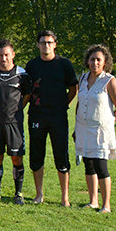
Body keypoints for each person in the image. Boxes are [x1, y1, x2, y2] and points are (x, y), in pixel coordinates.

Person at [26, 30, 78, 206]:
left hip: (58, 117)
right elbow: (26, 90)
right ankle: (39, 194)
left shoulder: (64, 64)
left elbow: (73, 89)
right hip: (36, 116)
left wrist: (62, 105)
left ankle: (65, 197)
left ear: (55, 44)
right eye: (42, 42)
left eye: (49, 42)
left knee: (61, 155)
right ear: (38, 45)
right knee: (36, 155)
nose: (46, 45)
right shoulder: (32, 65)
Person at [75, 44, 116, 213]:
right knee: (88, 165)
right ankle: (93, 201)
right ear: (87, 61)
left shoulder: (109, 81)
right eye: (92, 59)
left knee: (101, 166)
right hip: (83, 129)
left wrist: (109, 122)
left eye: (99, 60)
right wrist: (77, 127)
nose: (95, 63)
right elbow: (80, 103)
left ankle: (106, 205)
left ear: (105, 62)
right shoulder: (82, 79)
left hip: (100, 131)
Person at [0, 39, 32, 205]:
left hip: (15, 124)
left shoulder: (22, 75)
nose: (4, 58)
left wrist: (17, 110)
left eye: (7, 55)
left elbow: (27, 95)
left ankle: (19, 193)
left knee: (16, 159)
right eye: (0, 55)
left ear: (13, 54)